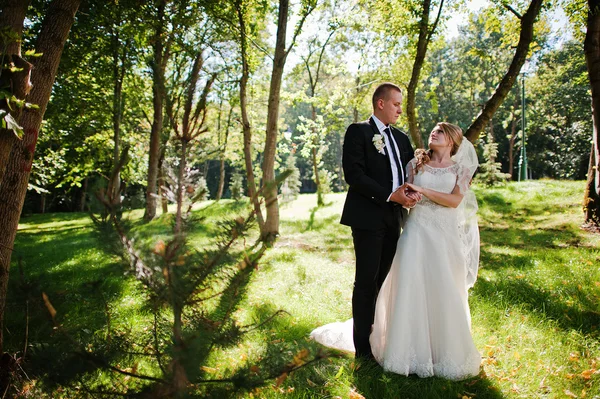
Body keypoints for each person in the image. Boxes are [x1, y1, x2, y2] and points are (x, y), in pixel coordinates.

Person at [369, 122, 481, 380]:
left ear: (452, 139)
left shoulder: (460, 169)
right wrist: (411, 195)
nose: (434, 134)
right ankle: (405, 352)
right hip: (416, 231)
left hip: (445, 236)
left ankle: (442, 352)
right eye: (433, 131)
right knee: (411, 285)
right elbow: (409, 193)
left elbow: (454, 201)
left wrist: (423, 190)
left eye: (439, 132)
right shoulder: (415, 163)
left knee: (443, 289)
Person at [337, 82, 417, 361]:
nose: (399, 110)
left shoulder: (402, 139)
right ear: (380, 104)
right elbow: (354, 175)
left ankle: (379, 337)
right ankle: (362, 349)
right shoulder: (358, 132)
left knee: (384, 281)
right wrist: (390, 195)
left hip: (395, 218)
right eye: (396, 104)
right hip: (368, 216)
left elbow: (411, 173)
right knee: (366, 281)